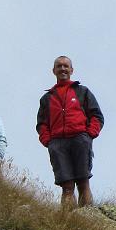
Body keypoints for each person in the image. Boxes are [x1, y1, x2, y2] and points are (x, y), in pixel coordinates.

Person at [36, 56, 104, 208]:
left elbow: (97, 116)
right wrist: (48, 141)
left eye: (66, 66)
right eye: (59, 66)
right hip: (58, 143)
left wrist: (89, 135)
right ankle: (69, 221)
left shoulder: (82, 91)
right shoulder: (47, 98)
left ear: (72, 70)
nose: (62, 69)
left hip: (80, 139)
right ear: (54, 71)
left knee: (83, 182)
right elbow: (41, 124)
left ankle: (87, 217)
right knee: (66, 187)